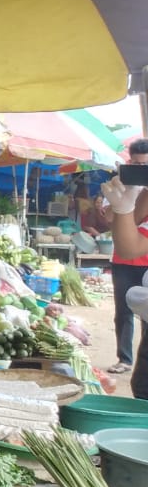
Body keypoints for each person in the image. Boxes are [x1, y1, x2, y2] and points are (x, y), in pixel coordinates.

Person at [101, 141, 148, 375]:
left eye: (145, 165)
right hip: (123, 260)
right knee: (123, 311)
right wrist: (128, 197)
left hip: (144, 260)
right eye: (137, 164)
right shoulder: (122, 186)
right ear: (129, 162)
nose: (141, 169)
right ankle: (125, 358)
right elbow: (113, 218)